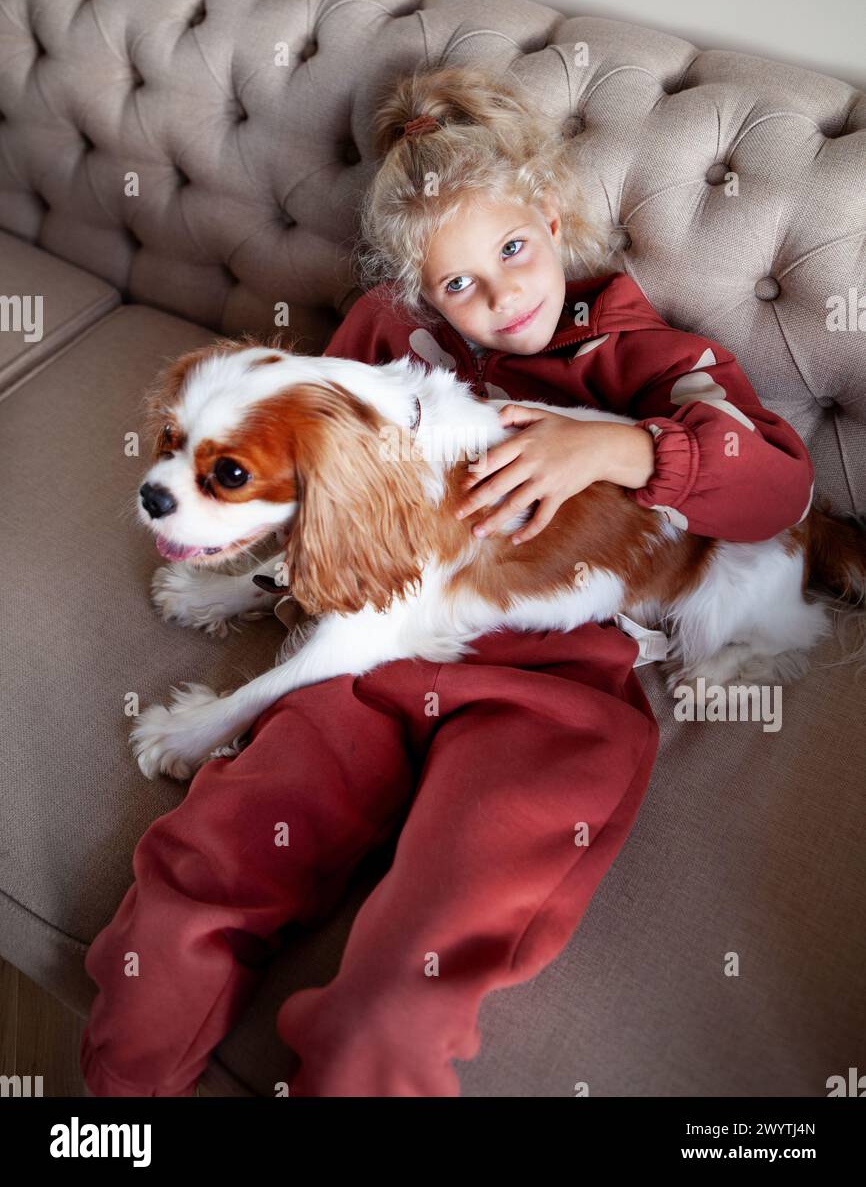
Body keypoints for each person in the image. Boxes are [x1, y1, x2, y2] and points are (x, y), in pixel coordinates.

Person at [80, 64, 814, 1097]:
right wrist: (253, 578)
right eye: (456, 283)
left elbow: (778, 491)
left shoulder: (656, 361)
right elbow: (321, 507)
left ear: (551, 220)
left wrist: (613, 451)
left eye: (513, 250)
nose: (500, 295)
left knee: (418, 965)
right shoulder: (384, 339)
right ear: (416, 287)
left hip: (555, 689)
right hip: (367, 662)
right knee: (208, 863)